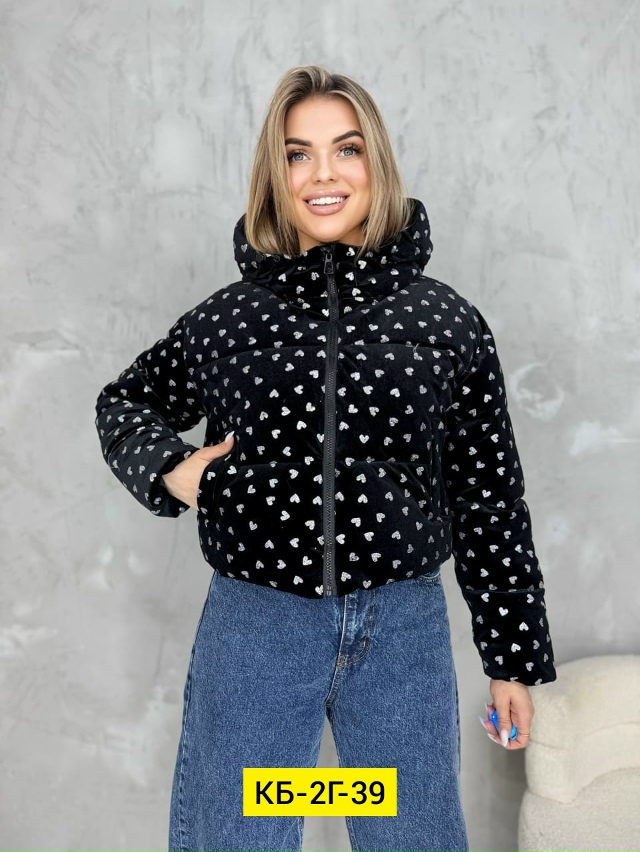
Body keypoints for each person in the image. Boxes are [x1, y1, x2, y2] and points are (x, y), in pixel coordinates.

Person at [95, 64, 556, 852]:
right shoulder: (227, 322)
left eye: (346, 149)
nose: (323, 175)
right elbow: (124, 404)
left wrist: (511, 659)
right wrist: (173, 470)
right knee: (237, 836)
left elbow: (488, 496)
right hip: (258, 627)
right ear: (275, 177)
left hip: (400, 631)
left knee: (410, 836)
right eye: (297, 155)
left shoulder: (447, 322)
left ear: (376, 162)